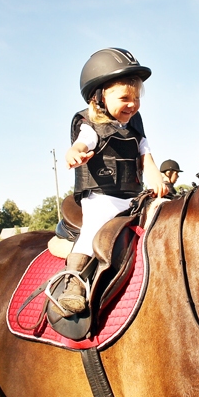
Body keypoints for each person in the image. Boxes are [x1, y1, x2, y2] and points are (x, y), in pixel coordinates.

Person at [60, 47, 167, 314]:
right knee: (97, 224)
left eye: (137, 98)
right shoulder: (90, 125)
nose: (132, 104)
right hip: (102, 197)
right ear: (99, 98)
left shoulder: (135, 126)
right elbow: (84, 143)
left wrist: (156, 178)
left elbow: (145, 154)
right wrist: (76, 152)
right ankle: (73, 281)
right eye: (124, 98)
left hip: (132, 197)